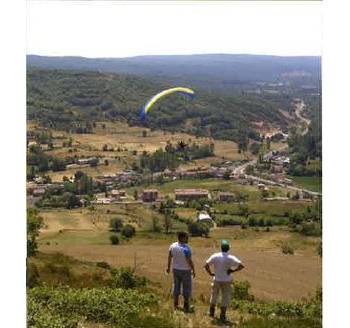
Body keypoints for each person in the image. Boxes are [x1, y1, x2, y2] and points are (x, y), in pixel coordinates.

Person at [204, 240, 244, 322]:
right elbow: (241, 266)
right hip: (227, 280)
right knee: (225, 297)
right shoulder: (231, 257)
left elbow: (206, 265)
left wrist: (210, 273)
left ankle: (211, 313)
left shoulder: (215, 256)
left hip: (217, 279)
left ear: (221, 248)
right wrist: (233, 270)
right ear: (228, 248)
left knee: (214, 295)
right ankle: (222, 315)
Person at [166, 231, 195, 312]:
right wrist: (193, 269)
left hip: (175, 269)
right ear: (182, 238)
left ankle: (175, 304)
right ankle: (186, 306)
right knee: (186, 288)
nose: (187, 239)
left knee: (176, 286)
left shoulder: (172, 246)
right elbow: (189, 260)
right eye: (186, 237)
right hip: (185, 270)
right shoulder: (186, 248)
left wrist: (168, 267)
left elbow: (169, 257)